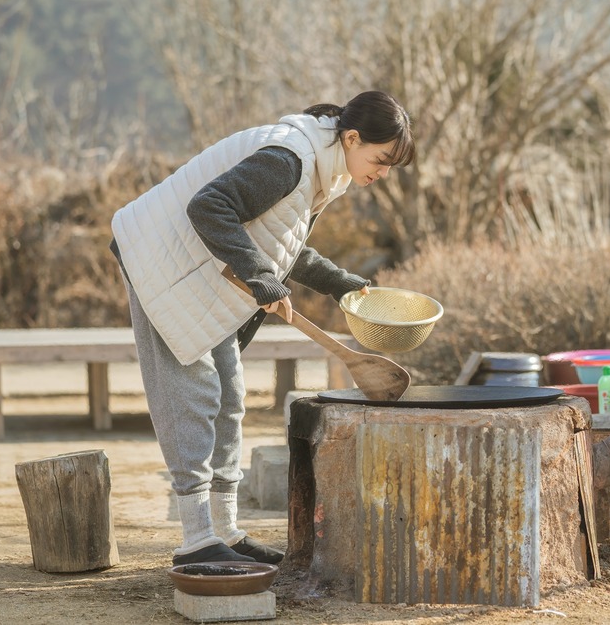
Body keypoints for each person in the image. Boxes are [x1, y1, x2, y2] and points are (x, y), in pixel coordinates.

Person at [109, 91, 415, 566]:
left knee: (230, 397)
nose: (382, 174)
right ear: (352, 138)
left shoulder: (323, 168)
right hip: (160, 265)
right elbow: (209, 207)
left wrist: (340, 284)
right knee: (192, 397)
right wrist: (259, 277)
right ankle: (195, 540)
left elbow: (280, 243)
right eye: (380, 159)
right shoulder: (289, 160)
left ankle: (225, 532)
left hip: (203, 270)